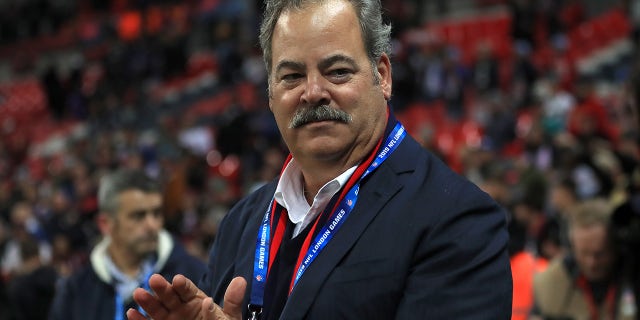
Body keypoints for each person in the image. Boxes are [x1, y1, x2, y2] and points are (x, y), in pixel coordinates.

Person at [128, 0, 513, 319]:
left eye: (337, 71)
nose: (313, 92)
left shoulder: (458, 221)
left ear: (383, 76)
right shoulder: (240, 223)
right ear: (270, 94)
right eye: (292, 76)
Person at [48, 168, 207, 320]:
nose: (152, 225)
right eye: (138, 216)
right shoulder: (75, 291)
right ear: (105, 224)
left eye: (157, 213)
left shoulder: (193, 278)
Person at [531, 198, 636, 320]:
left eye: (599, 254)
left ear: (616, 246)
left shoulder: (633, 276)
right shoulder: (550, 283)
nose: (591, 262)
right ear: (571, 247)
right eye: (583, 253)